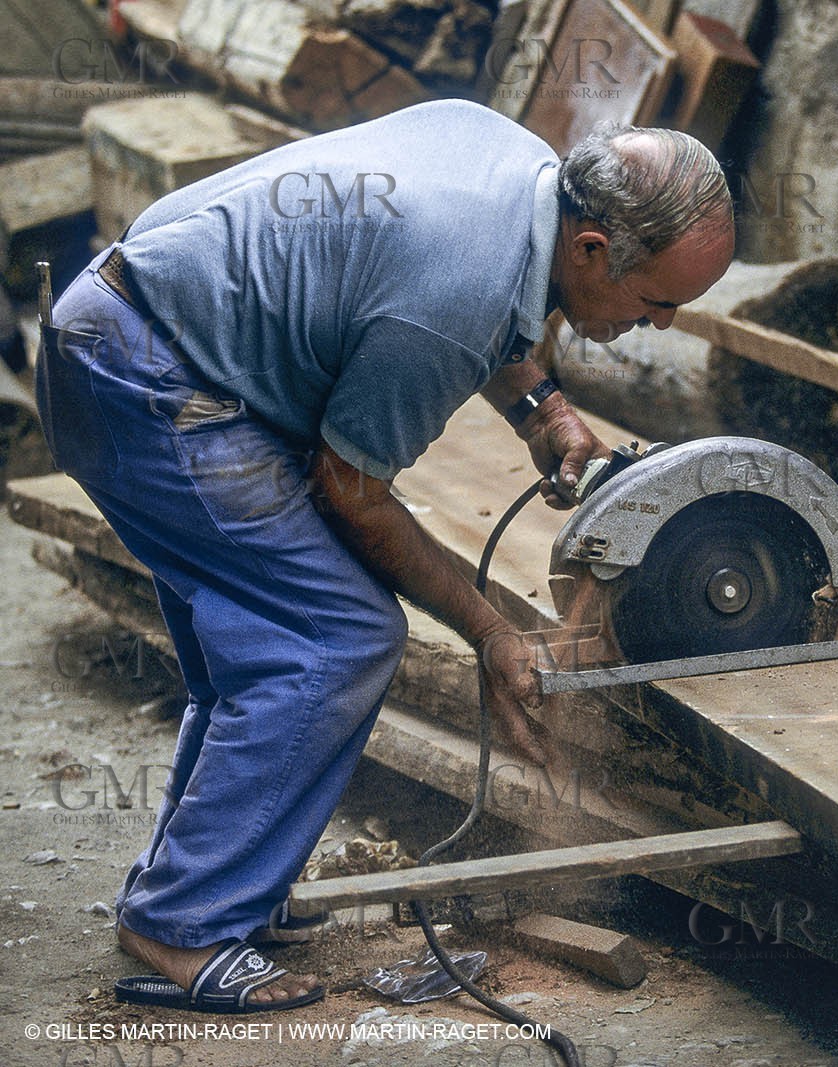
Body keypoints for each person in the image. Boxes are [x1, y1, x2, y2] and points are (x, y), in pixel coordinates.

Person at [34, 99, 735, 1012]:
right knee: (336, 637)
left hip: (139, 330)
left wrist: (544, 408)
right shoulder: (453, 293)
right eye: (659, 304)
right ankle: (182, 925)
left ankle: (211, 887)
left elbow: (456, 305)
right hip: (147, 381)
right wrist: (489, 630)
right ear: (594, 249)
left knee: (260, 649)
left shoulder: (520, 169)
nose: (668, 325)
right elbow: (353, 489)